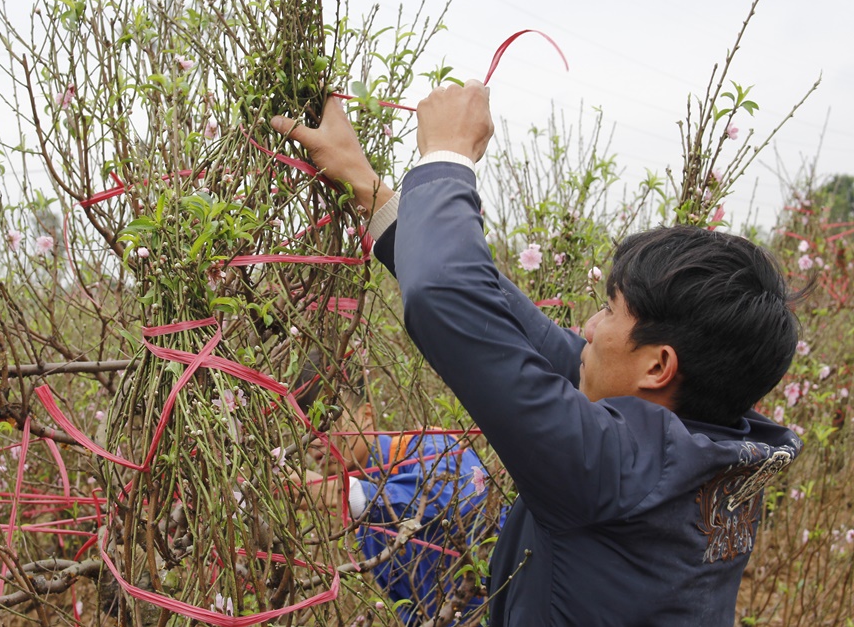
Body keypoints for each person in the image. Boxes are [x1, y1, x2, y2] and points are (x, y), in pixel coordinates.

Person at [270, 83, 804, 626]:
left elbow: (442, 295)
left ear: (658, 366)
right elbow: (516, 327)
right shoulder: (718, 445)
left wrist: (448, 156)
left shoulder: (612, 470)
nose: (589, 327)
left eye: (611, 311)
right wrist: (366, 184)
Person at [291, 351, 503, 625]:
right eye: (306, 430)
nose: (316, 441)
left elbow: (446, 499)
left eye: (326, 421)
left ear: (366, 415)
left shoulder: (431, 448)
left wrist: (338, 490)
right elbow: (412, 609)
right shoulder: (364, 528)